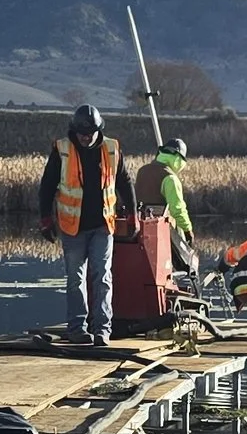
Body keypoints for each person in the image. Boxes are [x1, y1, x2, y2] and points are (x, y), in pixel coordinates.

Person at [37, 101, 138, 351]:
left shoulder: (112, 149)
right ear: (75, 131)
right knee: (75, 279)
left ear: (98, 131)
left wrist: (133, 214)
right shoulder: (62, 150)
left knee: (102, 276)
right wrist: (45, 219)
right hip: (73, 227)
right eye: (81, 134)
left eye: (90, 134)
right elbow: (47, 186)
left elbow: (124, 182)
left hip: (103, 225)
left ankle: (102, 330)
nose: (85, 138)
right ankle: (77, 330)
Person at [135, 132, 197, 278]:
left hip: (138, 229)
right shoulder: (170, 178)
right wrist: (188, 230)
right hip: (160, 233)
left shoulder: (142, 171)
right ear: (179, 160)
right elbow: (178, 209)